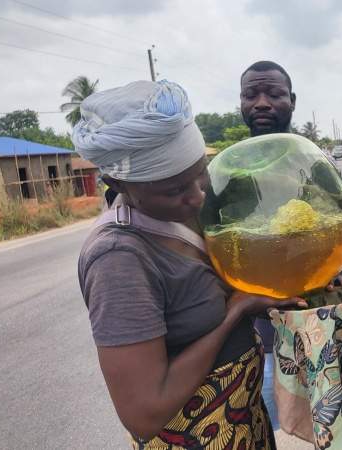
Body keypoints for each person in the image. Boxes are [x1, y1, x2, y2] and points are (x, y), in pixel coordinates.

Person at [75, 80, 305, 449]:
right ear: (118, 183)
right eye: (174, 189)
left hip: (246, 429)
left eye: (201, 172)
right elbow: (144, 413)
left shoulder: (195, 206)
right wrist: (236, 311)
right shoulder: (119, 259)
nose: (198, 195)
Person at [239, 60, 342, 430]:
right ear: (241, 103)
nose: (262, 103)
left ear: (292, 101)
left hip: (318, 332)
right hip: (257, 343)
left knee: (331, 430)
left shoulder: (315, 164)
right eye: (251, 95)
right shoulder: (230, 174)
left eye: (274, 94)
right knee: (256, 430)